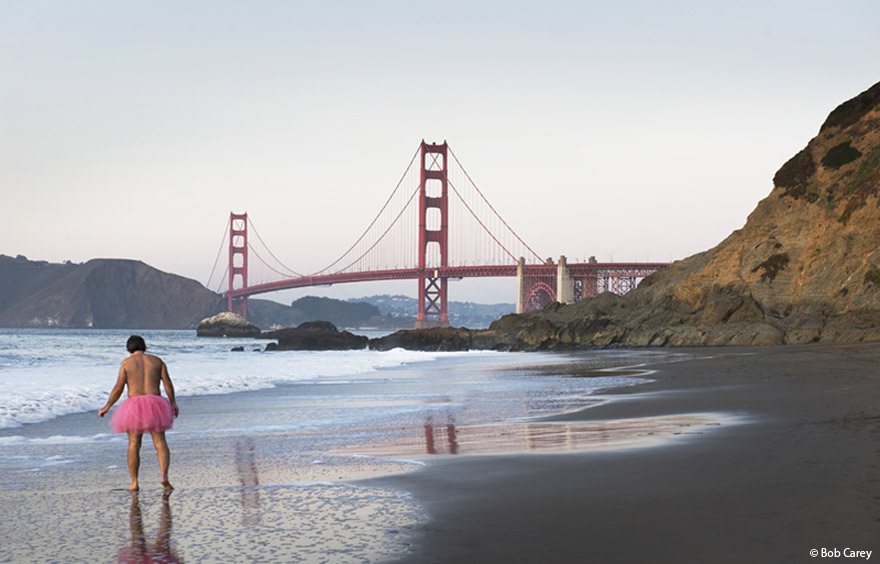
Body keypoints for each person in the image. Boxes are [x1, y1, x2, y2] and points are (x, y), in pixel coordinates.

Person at [99, 335, 179, 491]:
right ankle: (164, 476)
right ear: (144, 346)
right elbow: (168, 384)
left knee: (134, 445)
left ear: (129, 349)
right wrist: (173, 403)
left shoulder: (126, 363)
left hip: (134, 406)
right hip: (156, 404)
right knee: (160, 443)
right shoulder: (157, 361)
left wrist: (107, 406)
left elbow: (118, 388)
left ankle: (134, 482)